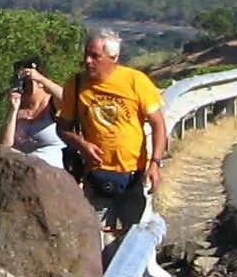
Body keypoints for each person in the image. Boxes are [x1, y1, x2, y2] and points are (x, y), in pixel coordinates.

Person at [57, 27, 167, 236]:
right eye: (86, 55)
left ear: (113, 57)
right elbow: (63, 127)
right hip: (96, 177)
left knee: (133, 236)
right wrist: (82, 145)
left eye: (95, 56)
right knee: (94, 238)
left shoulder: (135, 81)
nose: (88, 61)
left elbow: (158, 124)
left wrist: (155, 163)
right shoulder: (76, 84)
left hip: (134, 176)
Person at [0, 56, 65, 162]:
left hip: (54, 172)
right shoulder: (17, 108)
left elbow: (68, 100)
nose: (24, 85)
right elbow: (3, 147)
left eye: (27, 80)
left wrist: (40, 78)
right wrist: (13, 110)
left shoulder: (53, 103)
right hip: (24, 170)